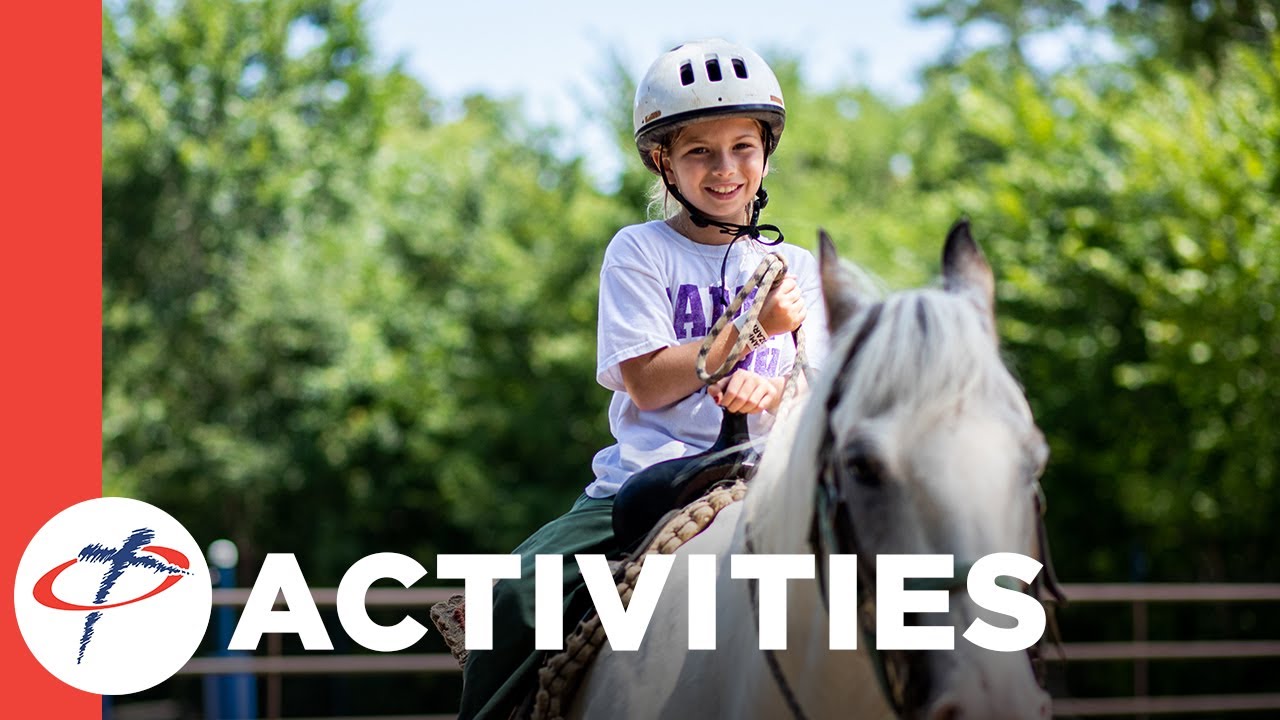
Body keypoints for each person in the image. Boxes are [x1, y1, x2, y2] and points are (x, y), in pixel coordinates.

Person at [457, 39, 827, 719]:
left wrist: (770, 390)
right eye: (699, 153)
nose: (725, 170)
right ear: (664, 162)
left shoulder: (795, 265)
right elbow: (650, 382)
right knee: (512, 594)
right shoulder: (640, 251)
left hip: (772, 478)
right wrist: (753, 331)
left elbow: (815, 389)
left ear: (765, 151)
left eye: (742, 147)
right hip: (650, 480)